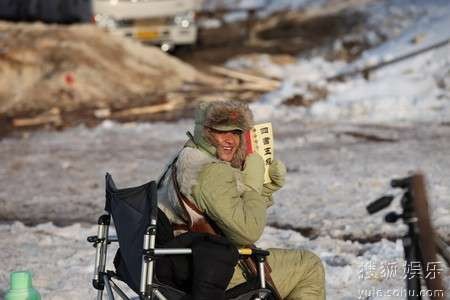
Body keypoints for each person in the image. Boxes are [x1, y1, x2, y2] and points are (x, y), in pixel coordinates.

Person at [158, 100, 325, 299]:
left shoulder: (185, 159)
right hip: (216, 271)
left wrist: (264, 190)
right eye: (221, 132)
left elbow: (227, 214)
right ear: (204, 132)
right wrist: (253, 185)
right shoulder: (212, 174)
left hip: (190, 261)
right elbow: (248, 232)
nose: (230, 140)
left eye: (236, 132)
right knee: (309, 265)